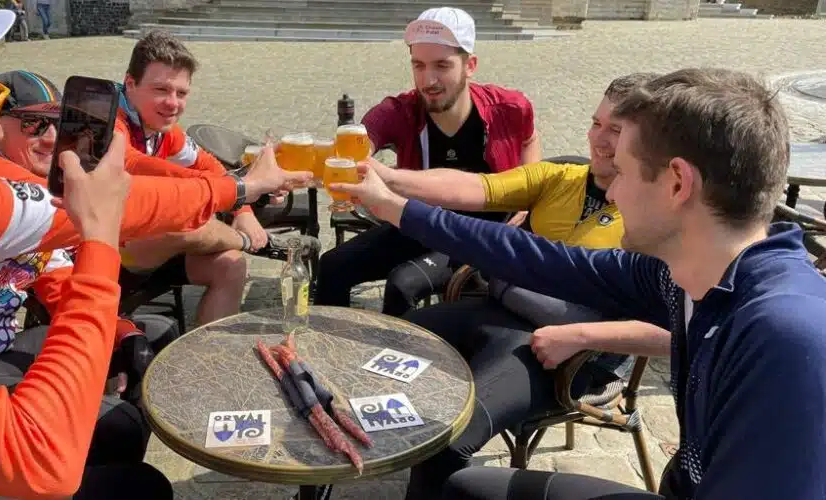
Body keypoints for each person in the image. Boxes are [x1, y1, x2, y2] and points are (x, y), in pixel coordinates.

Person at [0, 3, 306, 498]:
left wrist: (239, 190)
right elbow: (39, 459)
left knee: (132, 472)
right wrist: (99, 244)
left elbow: (120, 203)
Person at [334, 68, 826, 499]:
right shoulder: (684, 274)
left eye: (624, 172)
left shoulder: (786, 337)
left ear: (678, 183)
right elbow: (533, 257)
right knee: (466, 488)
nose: (612, 191)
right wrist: (391, 205)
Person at [347, 72, 659, 499]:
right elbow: (475, 186)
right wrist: (385, 176)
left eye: (616, 130)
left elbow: (679, 322)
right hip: (502, 312)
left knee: (448, 442)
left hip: (567, 353)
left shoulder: (652, 219)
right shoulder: (563, 176)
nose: (599, 139)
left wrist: (581, 333)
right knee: (379, 350)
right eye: (595, 123)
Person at [0, 70, 180, 470]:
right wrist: (234, 192)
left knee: (152, 338)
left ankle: (100, 472)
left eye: (57, 123)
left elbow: (59, 283)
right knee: (117, 426)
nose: (51, 138)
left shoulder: (43, 189)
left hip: (5, 341)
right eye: (32, 124)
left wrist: (123, 332)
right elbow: (131, 208)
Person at [315, 7, 541, 316]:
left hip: (483, 231)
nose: (428, 80)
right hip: (422, 220)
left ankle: (401, 347)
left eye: (442, 65)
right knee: (332, 265)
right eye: (418, 65)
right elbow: (366, 136)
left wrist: (528, 199)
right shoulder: (402, 111)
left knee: (402, 284)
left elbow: (529, 138)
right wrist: (350, 154)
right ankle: (327, 338)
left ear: (470, 65)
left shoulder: (509, 108)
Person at [115, 31, 277, 325]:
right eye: (160, 89)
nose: (172, 103)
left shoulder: (162, 127)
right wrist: (235, 189)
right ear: (130, 83)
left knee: (230, 266)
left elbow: (210, 166)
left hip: (148, 248)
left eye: (181, 93)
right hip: (104, 255)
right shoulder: (110, 122)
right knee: (185, 221)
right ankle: (252, 243)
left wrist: (242, 210)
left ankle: (210, 352)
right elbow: (129, 163)